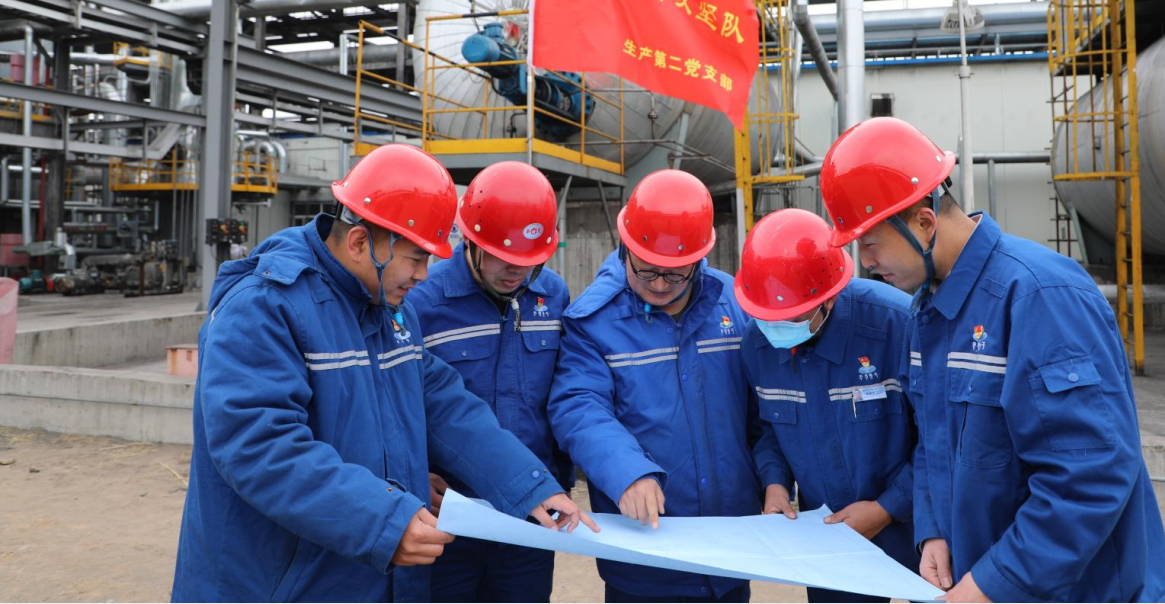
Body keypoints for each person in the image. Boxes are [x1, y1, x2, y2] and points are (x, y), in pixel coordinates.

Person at [171, 144, 595, 603]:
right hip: (278, 584)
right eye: (415, 258)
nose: (425, 275)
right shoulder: (263, 307)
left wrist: (524, 483)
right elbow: (260, 445)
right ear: (359, 243)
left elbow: (442, 404)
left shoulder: (387, 308)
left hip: (361, 575)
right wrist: (384, 521)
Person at [819, 117, 1165, 603]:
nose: (865, 262)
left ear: (923, 223)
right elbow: (933, 441)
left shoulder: (1040, 295)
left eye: (869, 242)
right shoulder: (927, 310)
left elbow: (1089, 474)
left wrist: (994, 584)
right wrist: (933, 530)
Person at [549, 169, 760, 603]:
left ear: (700, 258)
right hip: (646, 556)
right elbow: (579, 406)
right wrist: (628, 472)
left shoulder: (735, 304)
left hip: (731, 546)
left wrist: (773, 478)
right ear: (625, 249)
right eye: (646, 272)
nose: (661, 285)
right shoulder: (594, 321)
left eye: (676, 275)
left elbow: (763, 410)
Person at [404, 160, 572, 603]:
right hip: (449, 512)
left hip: (530, 512)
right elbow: (394, 400)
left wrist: (559, 477)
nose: (516, 271)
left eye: (530, 261)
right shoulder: (420, 300)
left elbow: (566, 393)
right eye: (502, 256)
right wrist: (414, 472)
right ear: (469, 240)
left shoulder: (552, 295)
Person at [734, 208, 917, 603]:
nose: (777, 325)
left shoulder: (896, 324)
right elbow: (768, 430)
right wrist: (775, 484)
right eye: (767, 315)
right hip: (831, 538)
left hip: (919, 529)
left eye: (792, 316)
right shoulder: (757, 344)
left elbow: (943, 438)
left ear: (829, 299)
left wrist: (889, 507)